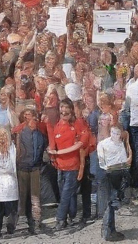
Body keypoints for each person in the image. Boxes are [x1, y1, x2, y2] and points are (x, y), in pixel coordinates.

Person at [48, 99, 84, 230]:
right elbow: (53, 143)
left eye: (66, 108)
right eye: (61, 108)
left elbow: (80, 146)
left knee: (66, 193)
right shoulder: (57, 125)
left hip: (72, 165)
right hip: (60, 166)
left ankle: (60, 219)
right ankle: (72, 215)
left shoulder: (76, 125)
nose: (64, 111)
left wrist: (81, 167)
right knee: (68, 193)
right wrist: (51, 153)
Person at [11, 107, 46, 237]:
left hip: (35, 167)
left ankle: (36, 222)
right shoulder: (19, 132)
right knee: (22, 196)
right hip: (22, 167)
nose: (29, 118)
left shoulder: (40, 132)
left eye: (31, 116)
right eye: (26, 115)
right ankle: (19, 223)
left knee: (35, 197)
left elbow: (43, 147)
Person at [96, 126, 131, 242]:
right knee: (109, 202)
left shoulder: (121, 142)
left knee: (112, 201)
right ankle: (107, 232)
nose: (115, 135)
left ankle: (110, 229)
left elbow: (126, 158)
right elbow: (102, 162)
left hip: (116, 173)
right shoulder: (103, 144)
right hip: (108, 174)